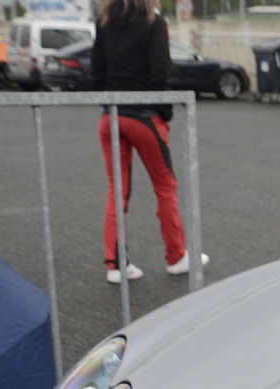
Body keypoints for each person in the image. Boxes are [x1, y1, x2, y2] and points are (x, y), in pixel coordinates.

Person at [92, 0, 208, 283]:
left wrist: (107, 102)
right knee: (165, 186)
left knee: (116, 191)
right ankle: (176, 256)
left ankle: (116, 265)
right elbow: (159, 71)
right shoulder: (153, 22)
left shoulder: (104, 20)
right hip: (144, 116)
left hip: (111, 116)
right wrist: (164, 113)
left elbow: (97, 69)